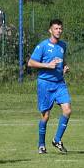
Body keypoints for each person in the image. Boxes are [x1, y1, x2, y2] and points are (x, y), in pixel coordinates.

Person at [28, 19, 71, 154]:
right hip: (45, 84)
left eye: (60, 28)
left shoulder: (63, 45)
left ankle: (57, 140)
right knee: (45, 116)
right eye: (56, 28)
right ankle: (41, 144)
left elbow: (62, 60)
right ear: (50, 30)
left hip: (59, 83)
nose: (58, 31)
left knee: (67, 110)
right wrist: (47, 65)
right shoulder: (42, 46)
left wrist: (64, 67)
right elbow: (30, 63)